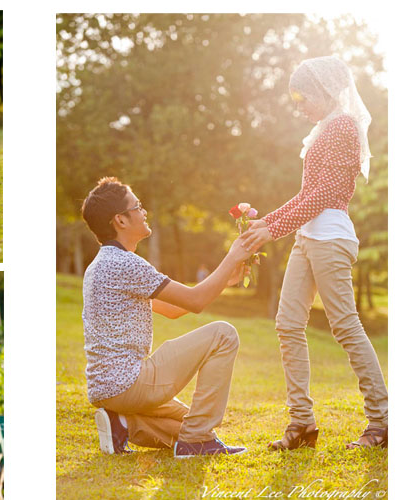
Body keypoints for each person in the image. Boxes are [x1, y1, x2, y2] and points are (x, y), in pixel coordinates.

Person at [241, 56, 388, 450]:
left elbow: (325, 195)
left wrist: (271, 229)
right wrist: (266, 225)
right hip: (306, 239)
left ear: (324, 90)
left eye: (302, 97)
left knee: (344, 325)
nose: (298, 106)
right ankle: (302, 424)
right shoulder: (325, 127)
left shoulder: (342, 125)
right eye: (294, 98)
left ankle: (382, 421)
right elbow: (306, 195)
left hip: (329, 238)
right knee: (288, 324)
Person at [80, 177, 252, 458]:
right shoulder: (125, 263)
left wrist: (226, 282)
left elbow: (174, 309)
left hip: (107, 388)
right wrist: (233, 256)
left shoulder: (101, 265)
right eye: (137, 206)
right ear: (120, 220)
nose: (143, 211)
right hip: (128, 382)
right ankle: (196, 442)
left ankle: (123, 423)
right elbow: (195, 302)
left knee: (190, 423)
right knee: (224, 333)